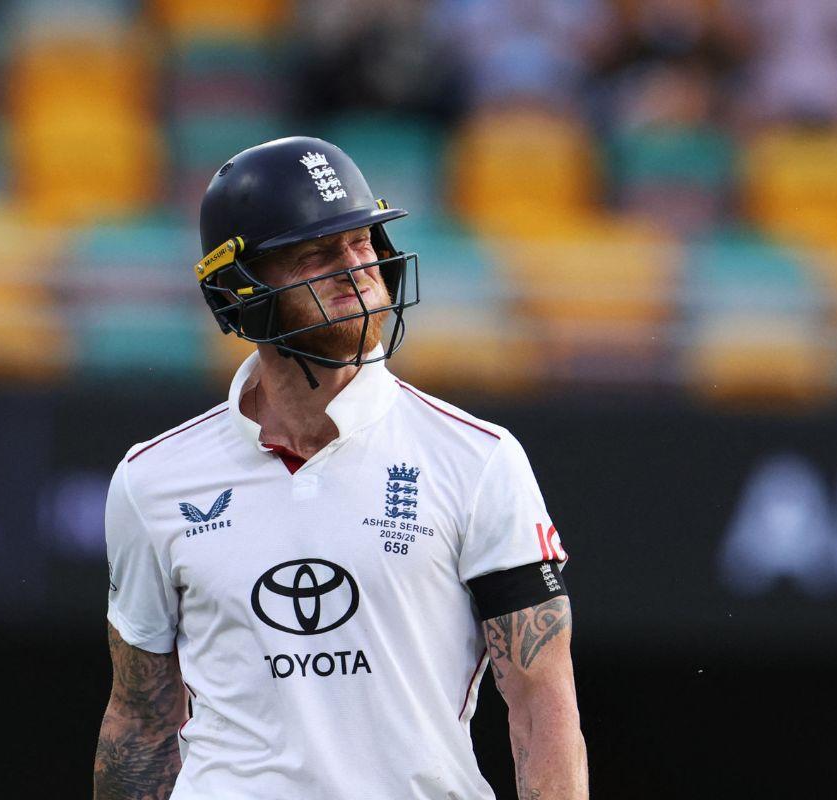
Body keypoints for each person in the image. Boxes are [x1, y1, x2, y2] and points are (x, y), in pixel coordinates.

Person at [94, 136, 588, 799]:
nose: (357, 268)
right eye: (318, 254)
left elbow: (542, 703)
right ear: (241, 290)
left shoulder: (478, 458)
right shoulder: (151, 480)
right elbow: (140, 718)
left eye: (363, 244)